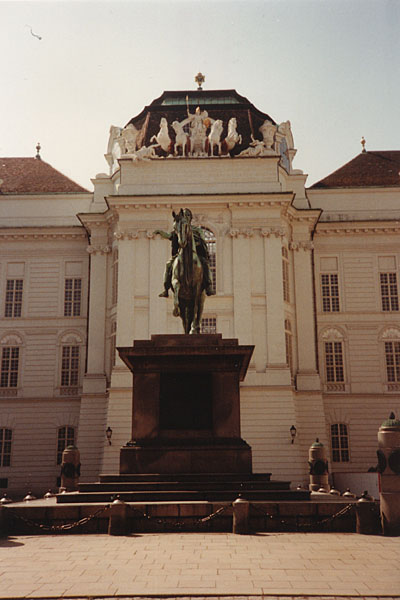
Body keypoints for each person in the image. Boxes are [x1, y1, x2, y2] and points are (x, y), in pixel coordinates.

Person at [154, 209, 215, 297]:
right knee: (168, 265)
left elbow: (203, 242)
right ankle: (166, 289)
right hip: (181, 254)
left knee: (205, 264)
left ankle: (209, 286)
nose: (186, 217)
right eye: (184, 216)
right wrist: (160, 233)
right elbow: (170, 236)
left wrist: (195, 244)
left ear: (190, 218)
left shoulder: (197, 230)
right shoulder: (179, 229)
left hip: (196, 253)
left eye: (188, 216)